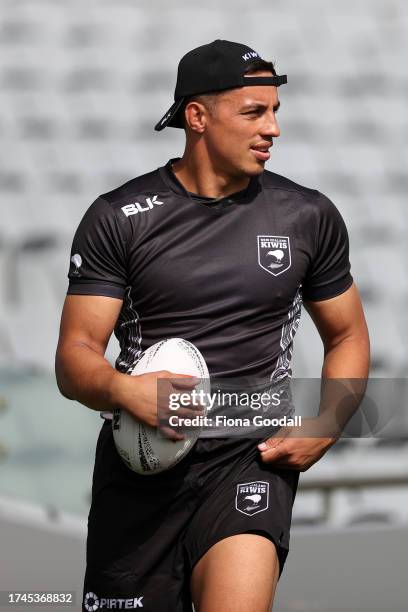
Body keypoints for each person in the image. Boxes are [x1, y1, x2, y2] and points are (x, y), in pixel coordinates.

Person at [55, 39, 370, 612]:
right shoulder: (118, 217)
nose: (272, 128)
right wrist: (127, 390)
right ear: (197, 117)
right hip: (141, 467)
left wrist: (329, 420)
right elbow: (74, 357)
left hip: (249, 460)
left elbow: (347, 335)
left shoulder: (307, 216)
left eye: (275, 111)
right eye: (254, 112)